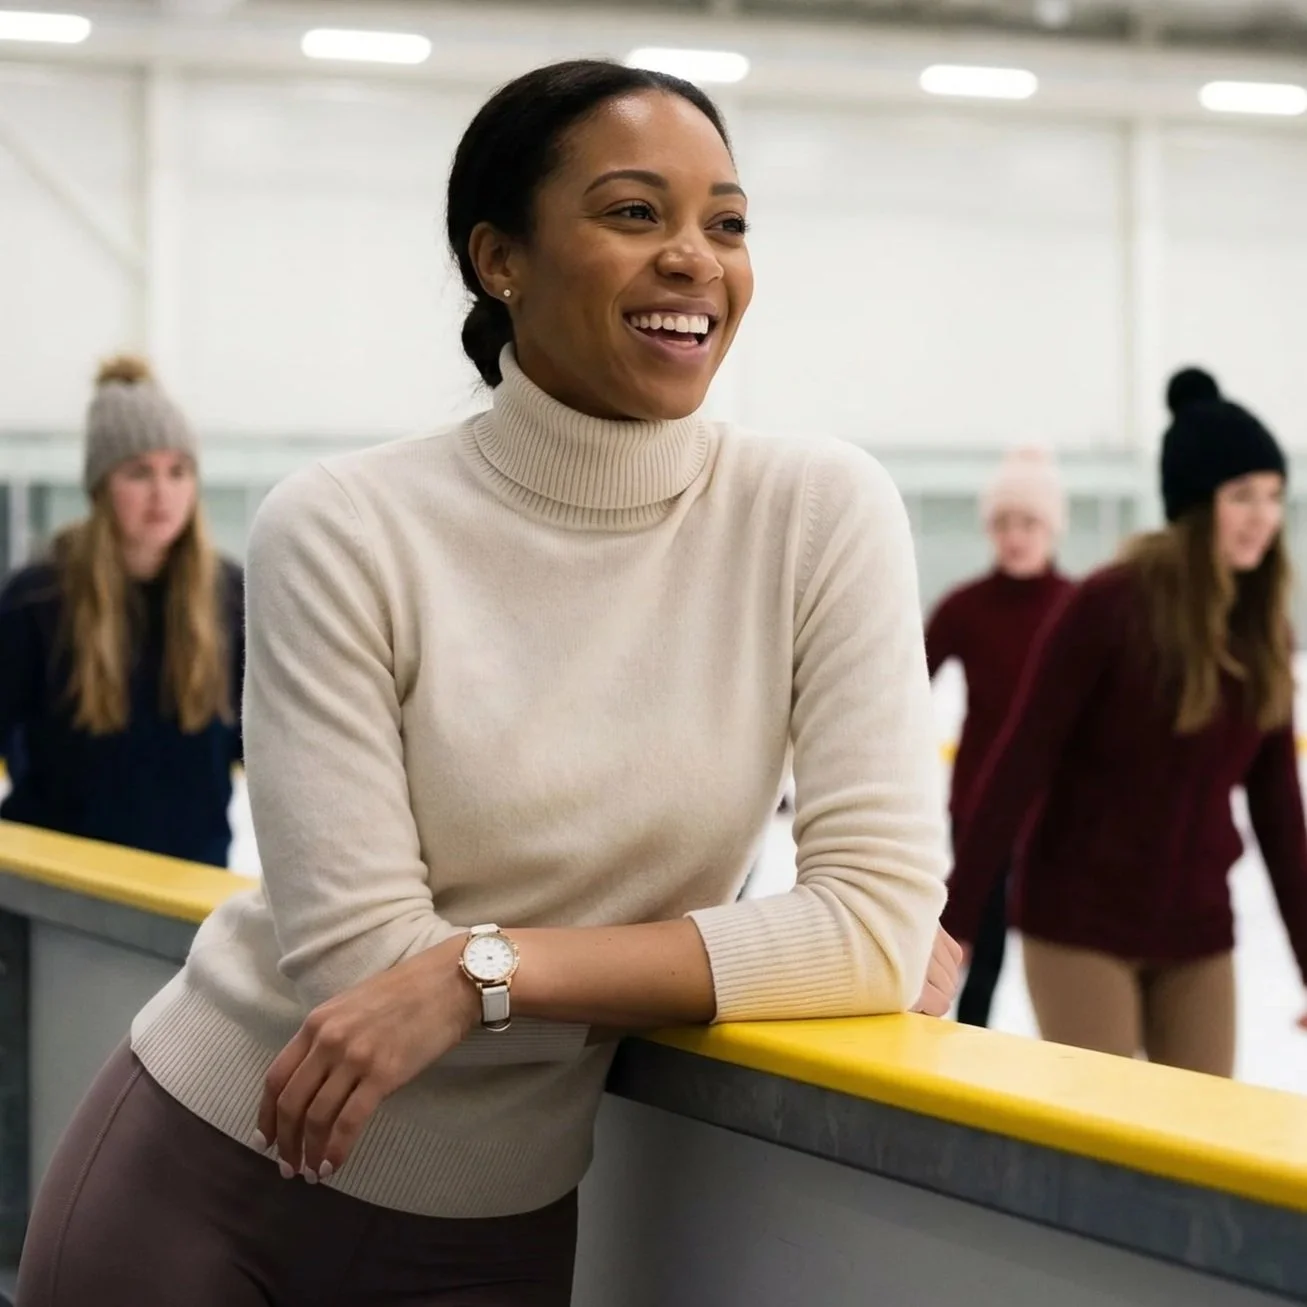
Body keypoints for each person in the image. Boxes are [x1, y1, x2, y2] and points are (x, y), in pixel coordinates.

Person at [19, 60, 961, 1307]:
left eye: (725, 223)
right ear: (497, 259)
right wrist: (753, 950)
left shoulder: (816, 513)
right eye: (635, 213)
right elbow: (363, 961)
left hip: (492, 1228)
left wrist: (481, 972)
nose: (695, 258)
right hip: (207, 1173)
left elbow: (870, 926)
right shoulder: (346, 525)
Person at [942, 367, 1307, 1077]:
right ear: (1196, 505)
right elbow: (1019, 762)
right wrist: (953, 924)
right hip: (1079, 923)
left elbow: (1277, 810)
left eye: (1271, 494)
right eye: (1242, 495)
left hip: (1197, 933)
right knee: (1105, 1150)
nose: (1263, 514)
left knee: (1199, 1147)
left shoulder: (1260, 631)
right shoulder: (1108, 606)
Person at [0, 355, 243, 868]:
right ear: (102, 486)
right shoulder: (39, 597)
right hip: (55, 886)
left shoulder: (231, 595)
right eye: (139, 472)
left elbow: (267, 747)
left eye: (178, 471)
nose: (162, 494)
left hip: (187, 885)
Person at [926, 448, 1073, 1027]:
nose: (1016, 536)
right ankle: (967, 1050)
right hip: (979, 804)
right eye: (1004, 522)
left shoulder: (1075, 607)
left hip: (1057, 815)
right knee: (977, 947)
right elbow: (906, 688)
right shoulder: (964, 609)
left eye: (1030, 522)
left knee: (1057, 949)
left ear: (1052, 528)